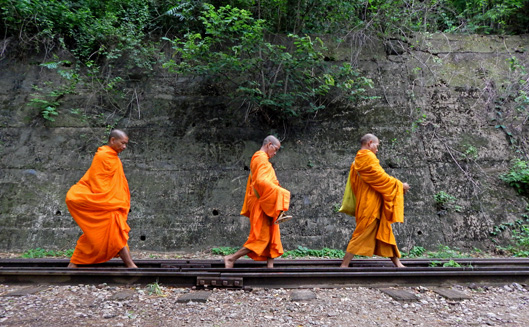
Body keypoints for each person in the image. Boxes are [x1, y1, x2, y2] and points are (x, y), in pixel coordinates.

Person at [66, 129, 137, 268]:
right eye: (122, 143)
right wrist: (109, 201)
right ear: (112, 140)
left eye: (125, 144)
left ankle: (72, 266)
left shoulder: (112, 156)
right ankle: (131, 266)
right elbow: (98, 182)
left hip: (109, 202)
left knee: (94, 235)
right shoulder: (103, 156)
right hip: (104, 202)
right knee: (115, 232)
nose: (124, 147)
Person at [340, 133, 410, 268]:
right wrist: (400, 185)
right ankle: (344, 264)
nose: (377, 150)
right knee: (361, 232)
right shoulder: (366, 157)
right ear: (369, 143)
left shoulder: (359, 160)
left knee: (385, 230)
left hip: (372, 202)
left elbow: (376, 178)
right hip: (368, 203)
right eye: (376, 146)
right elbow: (380, 177)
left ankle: (397, 263)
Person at [224, 135, 292, 269]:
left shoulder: (262, 159)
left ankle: (270, 266)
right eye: (275, 149)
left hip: (266, 201)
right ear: (269, 145)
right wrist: (281, 192)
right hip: (262, 202)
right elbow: (261, 181)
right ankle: (231, 258)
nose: (275, 153)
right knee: (260, 236)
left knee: (272, 232)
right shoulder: (260, 158)